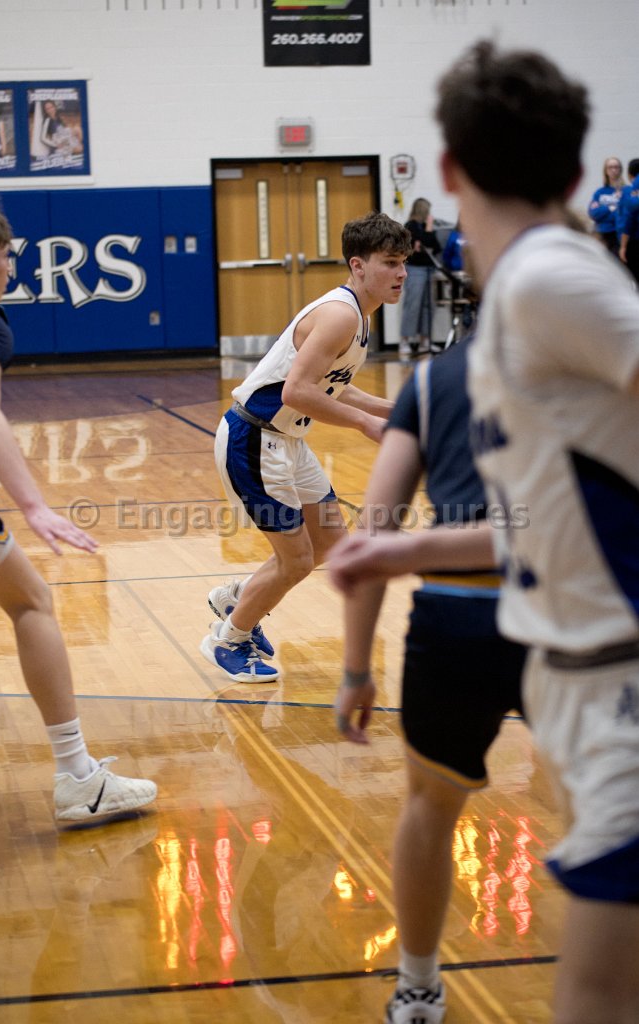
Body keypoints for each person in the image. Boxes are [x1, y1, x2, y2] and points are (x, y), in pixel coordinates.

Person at [435, 40, 639, 1024]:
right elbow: (555, 510)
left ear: (447, 170)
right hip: (568, 672)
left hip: (620, 680)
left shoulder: (547, 279)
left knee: (596, 992)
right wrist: (405, 549)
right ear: (573, 171)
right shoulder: (527, 287)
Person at [327, 330, 527, 1024]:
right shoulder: (600, 355)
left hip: (455, 617)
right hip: (565, 614)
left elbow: (374, 529)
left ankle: (416, 987)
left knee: (430, 806)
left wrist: (356, 669)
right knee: (605, 814)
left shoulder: (433, 382)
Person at [0, 193, 156, 823]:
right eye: (7, 257)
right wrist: (35, 506)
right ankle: (77, 777)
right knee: (32, 600)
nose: (11, 270)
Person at [200, 211, 410, 683]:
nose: (401, 273)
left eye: (403, 263)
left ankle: (239, 597)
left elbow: (331, 385)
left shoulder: (359, 315)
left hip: (286, 442)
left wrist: (392, 409)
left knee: (331, 545)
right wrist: (365, 424)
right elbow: (297, 392)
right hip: (254, 440)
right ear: (358, 265)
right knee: (296, 561)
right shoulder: (341, 315)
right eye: (390, 263)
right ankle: (229, 639)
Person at [399, 198, 441, 359]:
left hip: (430, 269)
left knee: (428, 306)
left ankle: (425, 341)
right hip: (415, 269)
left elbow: (435, 246)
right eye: (427, 211)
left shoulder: (424, 227)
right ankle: (405, 341)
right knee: (413, 304)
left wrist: (425, 239)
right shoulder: (410, 226)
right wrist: (428, 232)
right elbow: (420, 244)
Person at [587, 157, 625, 254]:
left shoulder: (627, 191)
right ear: (606, 171)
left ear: (620, 170)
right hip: (602, 236)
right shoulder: (599, 193)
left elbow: (625, 215)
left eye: (616, 167)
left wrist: (604, 214)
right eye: (610, 167)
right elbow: (593, 213)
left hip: (620, 237)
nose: (613, 170)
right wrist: (610, 208)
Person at [617, 157, 639, 282]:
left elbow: (629, 217)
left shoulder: (630, 189)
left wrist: (623, 245)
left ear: (629, 174)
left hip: (634, 240)